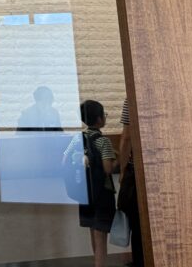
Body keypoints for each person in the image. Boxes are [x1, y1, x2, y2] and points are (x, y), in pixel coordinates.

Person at [73, 99, 117, 267]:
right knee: (101, 238)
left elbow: (66, 157)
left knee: (93, 232)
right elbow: (107, 169)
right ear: (99, 119)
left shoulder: (79, 139)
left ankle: (96, 263)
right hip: (101, 194)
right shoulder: (103, 141)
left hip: (84, 192)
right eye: (104, 114)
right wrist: (118, 161)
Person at [118, 98, 143, 266]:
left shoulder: (132, 98)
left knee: (138, 222)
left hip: (138, 172)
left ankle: (141, 261)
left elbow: (127, 137)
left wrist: (122, 169)